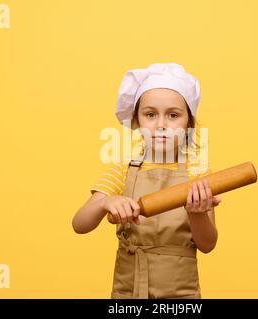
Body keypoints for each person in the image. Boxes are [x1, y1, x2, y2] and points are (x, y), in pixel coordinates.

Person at [72, 62, 221, 299]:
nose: (161, 124)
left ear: (188, 124)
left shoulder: (198, 172)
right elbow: (79, 225)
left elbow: (208, 244)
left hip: (181, 296)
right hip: (128, 292)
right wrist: (105, 203)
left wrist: (197, 213)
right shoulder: (123, 169)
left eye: (173, 115)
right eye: (150, 114)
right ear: (136, 121)